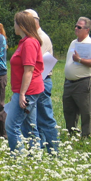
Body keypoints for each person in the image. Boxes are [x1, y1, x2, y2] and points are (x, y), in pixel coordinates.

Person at [5, 10, 44, 153]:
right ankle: (35, 157)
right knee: (29, 127)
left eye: (15, 22)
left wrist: (21, 94)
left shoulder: (29, 43)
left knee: (11, 126)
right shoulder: (25, 42)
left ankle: (18, 159)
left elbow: (29, 70)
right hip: (27, 90)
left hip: (28, 91)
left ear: (21, 25)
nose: (13, 25)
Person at [23, 9, 59, 153]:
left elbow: (34, 65)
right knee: (37, 118)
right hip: (39, 80)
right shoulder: (35, 37)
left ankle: (53, 150)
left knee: (44, 118)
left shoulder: (40, 38)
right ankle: (43, 146)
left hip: (41, 81)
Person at [63, 17, 91, 138]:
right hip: (69, 83)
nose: (76, 28)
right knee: (69, 111)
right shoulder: (74, 42)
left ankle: (86, 136)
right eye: (76, 26)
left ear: (87, 29)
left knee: (86, 111)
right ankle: (71, 134)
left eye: (79, 27)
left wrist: (80, 60)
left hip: (83, 83)